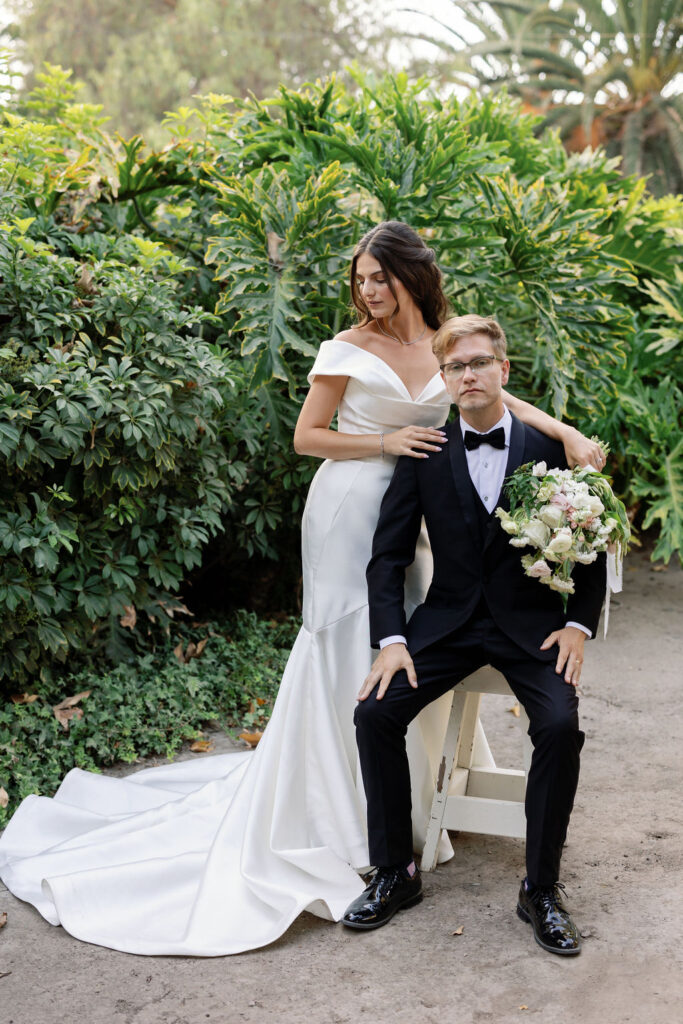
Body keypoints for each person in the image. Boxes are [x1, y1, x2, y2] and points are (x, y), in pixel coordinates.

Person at [0, 224, 604, 956]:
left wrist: (565, 433)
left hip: (435, 517)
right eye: (360, 279)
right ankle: (348, 827)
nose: (368, 290)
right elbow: (305, 436)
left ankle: (453, 838)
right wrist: (384, 443)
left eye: (379, 276)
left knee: (429, 634)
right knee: (359, 651)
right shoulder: (347, 346)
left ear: (413, 274)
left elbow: (493, 395)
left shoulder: (452, 344)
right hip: (357, 501)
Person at [342, 312, 606, 956]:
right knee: (374, 714)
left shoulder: (552, 451)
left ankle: (541, 888)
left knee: (558, 727)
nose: (468, 375)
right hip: (448, 624)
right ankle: (394, 873)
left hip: (533, 631)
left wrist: (577, 625)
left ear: (503, 370)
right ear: (445, 378)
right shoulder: (426, 452)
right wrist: (393, 640)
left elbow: (593, 541)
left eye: (479, 362)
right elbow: (388, 558)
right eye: (455, 367)